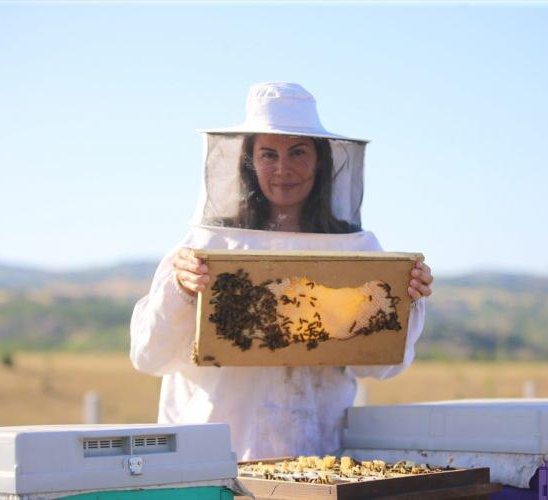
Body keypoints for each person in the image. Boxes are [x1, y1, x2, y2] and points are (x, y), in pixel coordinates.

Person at [130, 82, 434, 459]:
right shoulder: (207, 245)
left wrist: (407, 300)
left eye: (298, 153)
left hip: (314, 457)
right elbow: (147, 355)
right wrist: (180, 288)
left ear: (320, 160)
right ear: (249, 161)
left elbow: (382, 366)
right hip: (216, 456)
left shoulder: (354, 250)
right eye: (268, 154)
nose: (283, 168)